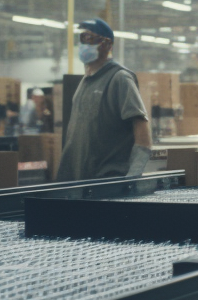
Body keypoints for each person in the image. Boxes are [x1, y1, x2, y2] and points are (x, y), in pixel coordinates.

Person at [55, 19, 152, 182]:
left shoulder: (120, 79)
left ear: (106, 44)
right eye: (82, 38)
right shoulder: (86, 81)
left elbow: (143, 135)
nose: (84, 44)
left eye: (89, 39)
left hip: (105, 183)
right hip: (78, 182)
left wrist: (131, 180)